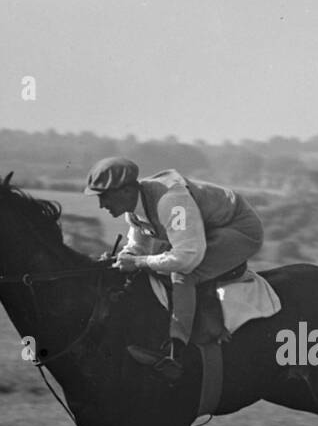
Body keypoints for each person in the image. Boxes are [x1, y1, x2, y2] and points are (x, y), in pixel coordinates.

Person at [84, 156, 264, 381]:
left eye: (104, 197)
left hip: (237, 229)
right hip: (208, 229)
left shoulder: (171, 202)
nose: (102, 205)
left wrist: (140, 262)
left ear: (126, 191)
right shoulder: (134, 210)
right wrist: (127, 257)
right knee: (150, 265)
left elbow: (187, 257)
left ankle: (175, 353)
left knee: (183, 272)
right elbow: (138, 245)